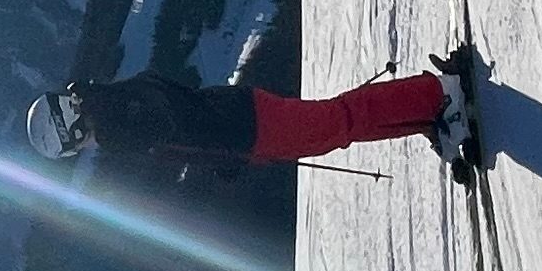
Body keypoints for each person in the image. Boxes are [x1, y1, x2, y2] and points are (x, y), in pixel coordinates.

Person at [25, 60, 477, 170]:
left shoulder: (118, 119)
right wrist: (219, 157)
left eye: (74, 145)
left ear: (73, 130)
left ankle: (438, 93)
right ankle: (424, 114)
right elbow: (170, 105)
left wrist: (213, 146)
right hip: (244, 128)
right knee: (339, 129)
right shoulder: (114, 108)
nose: (82, 149)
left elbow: (170, 110)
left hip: (248, 125)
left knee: (340, 120)